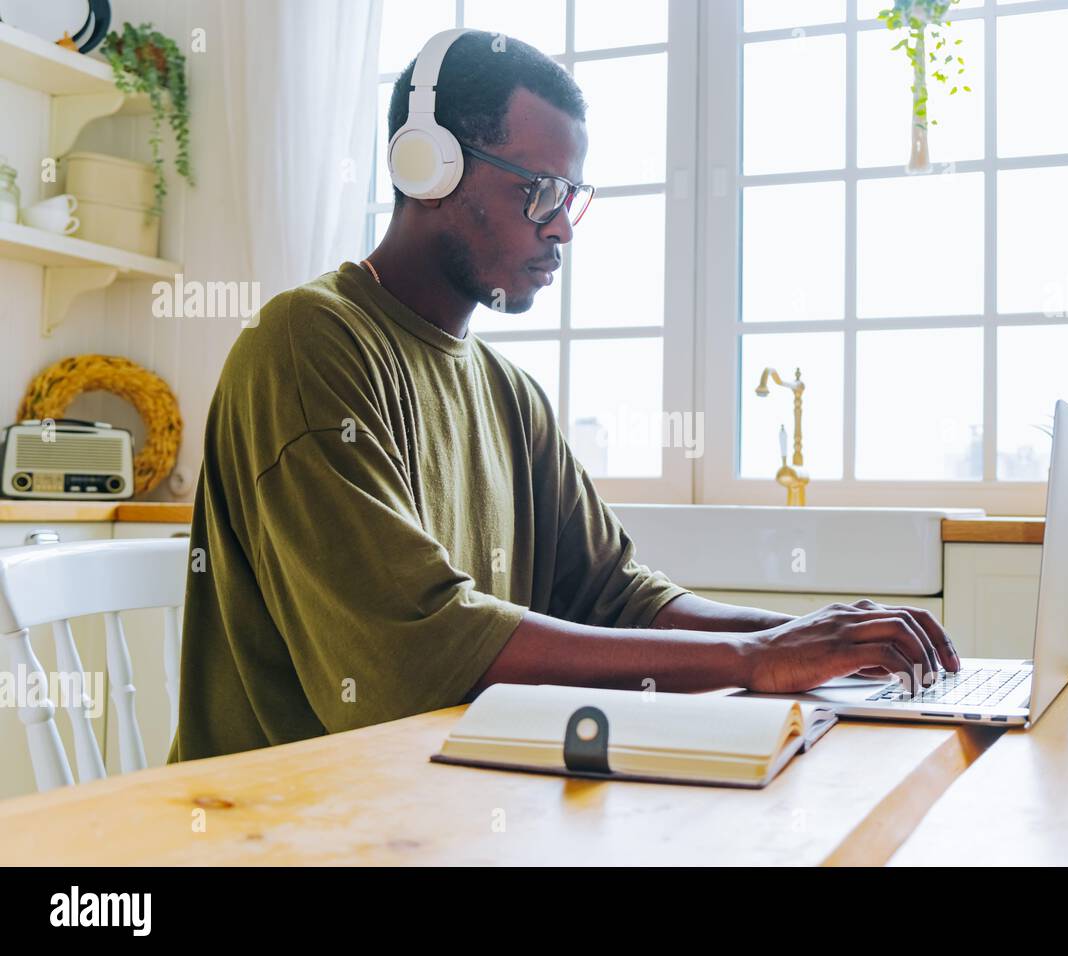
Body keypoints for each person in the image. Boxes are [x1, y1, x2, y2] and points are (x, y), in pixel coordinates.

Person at [168, 30, 957, 762]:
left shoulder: (509, 393)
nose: (562, 229)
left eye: (571, 196)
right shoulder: (309, 344)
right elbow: (417, 651)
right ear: (428, 166)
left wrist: (815, 640)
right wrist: (751, 660)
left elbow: (613, 595)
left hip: (440, 810)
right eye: (540, 191)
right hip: (286, 827)